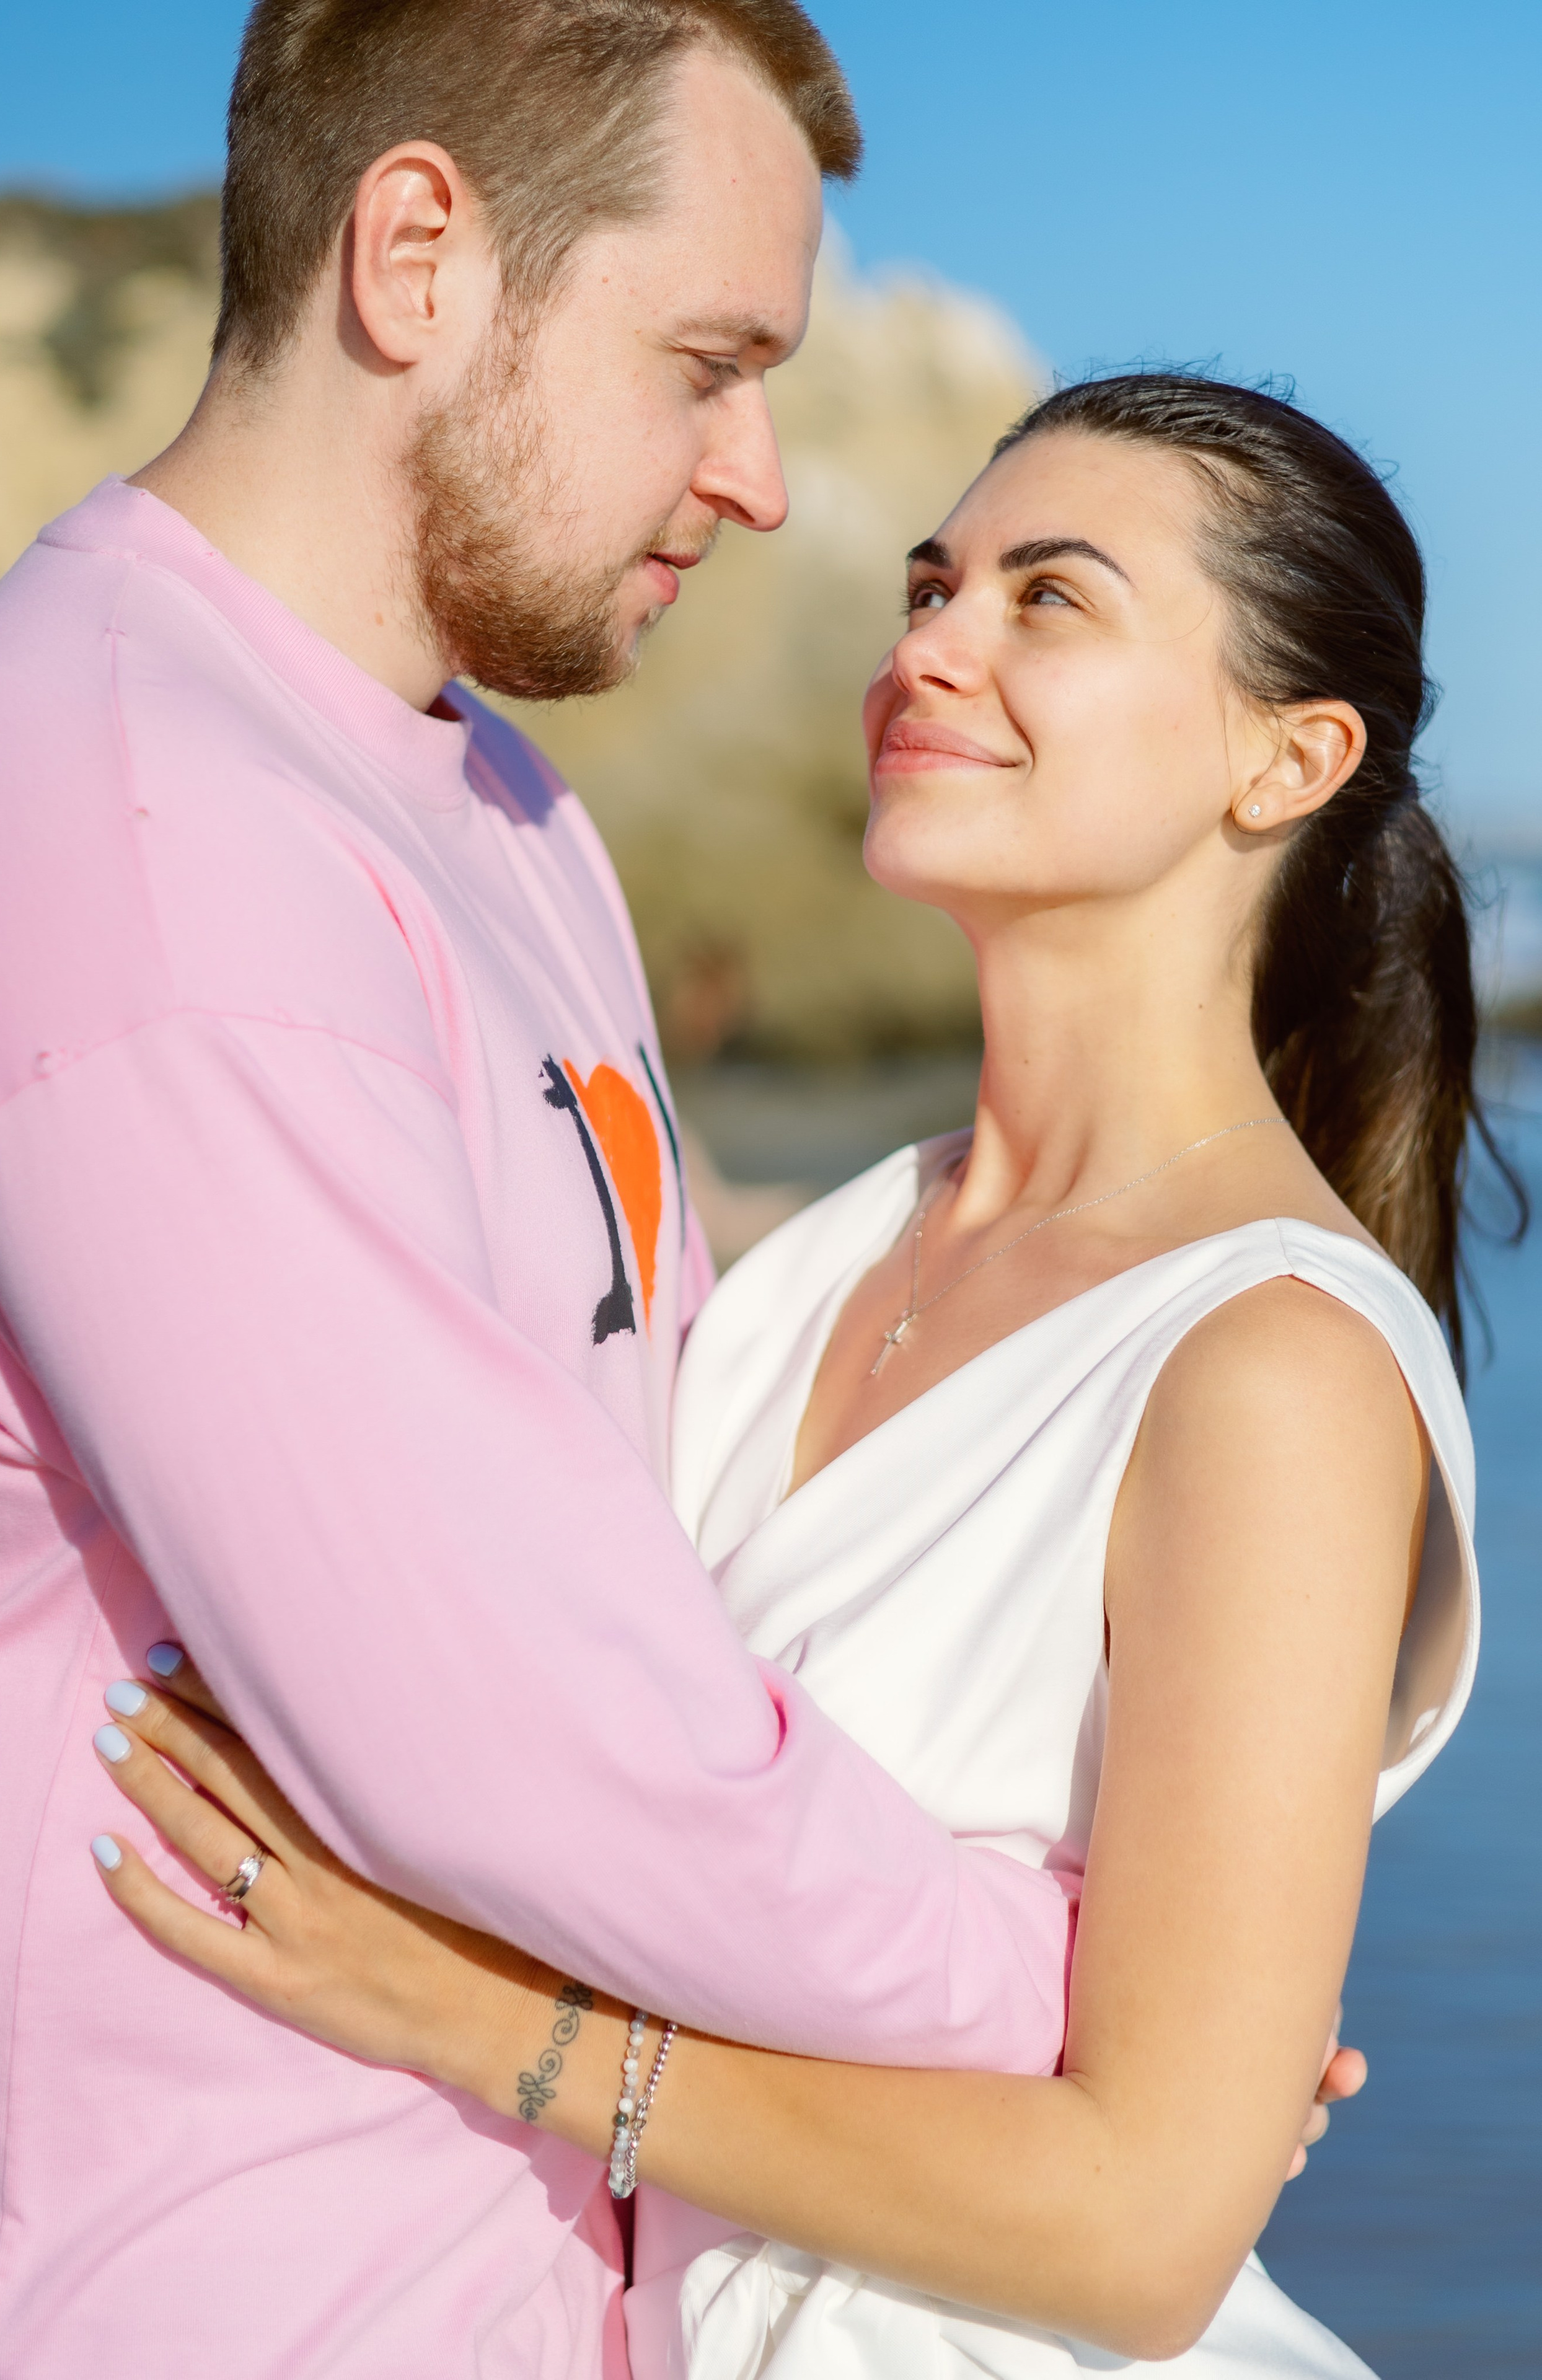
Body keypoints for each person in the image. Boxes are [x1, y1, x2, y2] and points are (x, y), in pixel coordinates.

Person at [84, 372, 1502, 2378]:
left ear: (1290, 760)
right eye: (935, 584)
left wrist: (468, 2020)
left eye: (1049, 601)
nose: (930, 642)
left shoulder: (1271, 1365)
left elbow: (1147, 2235)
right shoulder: (794, 1265)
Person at [0, 7, 1098, 2376]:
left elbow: (635, 1513)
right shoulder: (139, 826)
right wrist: (1088, 1993)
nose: (764, 475)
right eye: (706, 360)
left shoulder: (485, 800)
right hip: (225, 2293)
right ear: (413, 255)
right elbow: (522, 1725)